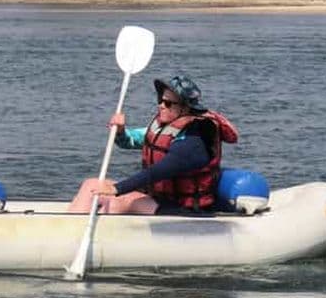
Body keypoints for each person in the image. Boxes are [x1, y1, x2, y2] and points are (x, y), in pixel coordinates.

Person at [68, 75, 238, 215]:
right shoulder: (166, 127)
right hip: (159, 199)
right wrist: (120, 131)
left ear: (186, 108)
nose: (161, 106)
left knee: (121, 201)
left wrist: (117, 189)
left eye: (168, 103)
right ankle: (71, 226)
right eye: (160, 100)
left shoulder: (195, 138)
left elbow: (160, 171)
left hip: (186, 209)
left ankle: (74, 234)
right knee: (91, 184)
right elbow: (131, 141)